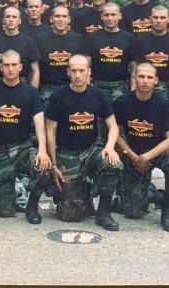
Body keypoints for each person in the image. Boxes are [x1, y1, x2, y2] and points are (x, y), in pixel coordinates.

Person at [45, 54, 123, 229]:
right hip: (67, 154)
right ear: (68, 72)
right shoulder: (58, 97)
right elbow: (50, 130)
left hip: (91, 150)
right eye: (74, 71)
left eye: (82, 70)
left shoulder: (99, 95)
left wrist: (110, 147)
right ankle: (76, 192)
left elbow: (113, 126)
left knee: (112, 164)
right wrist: (54, 164)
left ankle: (103, 212)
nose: (78, 75)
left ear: (89, 72)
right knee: (70, 216)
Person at [0, 50, 52, 222]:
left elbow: (40, 124)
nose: (10, 69)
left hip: (22, 148)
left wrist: (42, 150)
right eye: (6, 65)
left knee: (45, 166)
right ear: (1, 67)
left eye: (14, 65)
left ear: (20, 67)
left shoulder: (31, 92)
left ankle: (32, 206)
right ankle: (10, 187)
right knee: (3, 210)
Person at [113, 63, 169, 231]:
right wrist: (132, 155)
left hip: (156, 152)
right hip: (133, 154)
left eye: (149, 77)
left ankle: (167, 212)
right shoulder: (122, 102)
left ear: (156, 81)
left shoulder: (163, 104)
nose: (145, 81)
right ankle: (152, 194)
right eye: (142, 76)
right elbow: (114, 133)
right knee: (133, 211)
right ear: (134, 78)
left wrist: (147, 156)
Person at [83, 1, 138, 102]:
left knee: (120, 117)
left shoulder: (129, 38)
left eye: (113, 14)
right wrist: (87, 89)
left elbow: (134, 66)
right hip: (98, 87)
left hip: (121, 87)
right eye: (106, 15)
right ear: (101, 17)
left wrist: (133, 90)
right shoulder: (92, 37)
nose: (110, 18)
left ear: (120, 16)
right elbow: (86, 65)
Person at [36, 6, 84, 109]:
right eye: (57, 16)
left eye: (64, 16)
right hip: (48, 90)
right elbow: (35, 68)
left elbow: (84, 67)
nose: (60, 19)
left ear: (69, 20)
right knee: (48, 123)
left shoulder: (78, 39)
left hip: (72, 88)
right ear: (51, 19)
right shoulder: (40, 39)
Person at [137, 5, 169, 102]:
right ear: (150, 19)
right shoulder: (140, 41)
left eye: (162, 17)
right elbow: (134, 65)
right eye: (155, 17)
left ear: (168, 19)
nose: (158, 21)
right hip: (145, 87)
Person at [0, 7, 41, 87]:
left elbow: (35, 71)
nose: (11, 19)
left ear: (19, 21)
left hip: (22, 84)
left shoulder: (29, 42)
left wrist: (33, 92)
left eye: (14, 17)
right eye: (8, 17)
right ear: (3, 20)